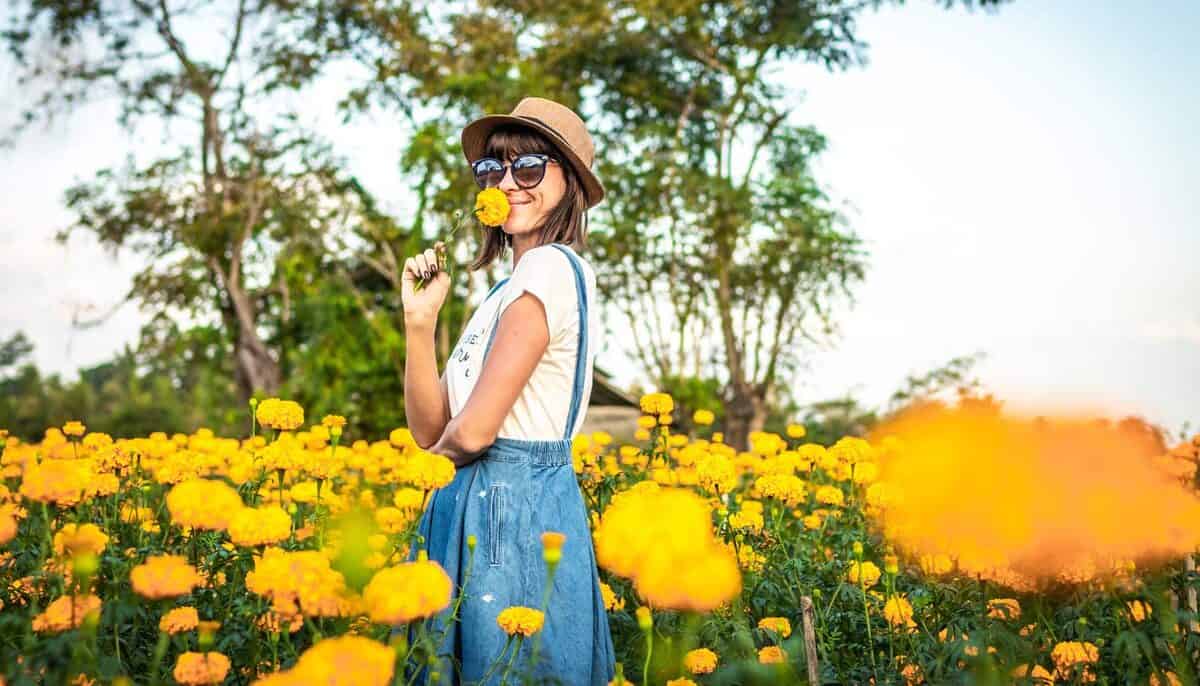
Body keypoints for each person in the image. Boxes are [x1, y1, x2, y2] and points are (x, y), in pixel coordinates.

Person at [399, 96, 616, 685]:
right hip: (471, 502)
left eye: (529, 167)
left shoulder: (551, 267)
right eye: (492, 170)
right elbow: (428, 426)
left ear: (569, 182)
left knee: (511, 670)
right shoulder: (499, 293)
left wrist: (422, 479)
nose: (509, 184)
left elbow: (469, 430)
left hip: (512, 509)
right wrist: (421, 323)